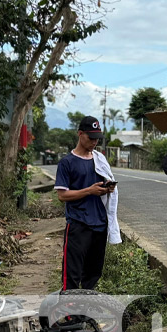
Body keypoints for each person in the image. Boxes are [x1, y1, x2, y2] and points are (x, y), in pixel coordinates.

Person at [54, 116, 121, 290]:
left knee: (93, 274)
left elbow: (102, 187)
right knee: (73, 272)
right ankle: (70, 315)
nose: (94, 142)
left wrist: (107, 189)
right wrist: (89, 191)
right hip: (78, 224)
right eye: (90, 137)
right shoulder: (67, 163)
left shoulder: (99, 160)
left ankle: (85, 312)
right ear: (80, 134)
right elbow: (62, 195)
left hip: (99, 223)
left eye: (97, 138)